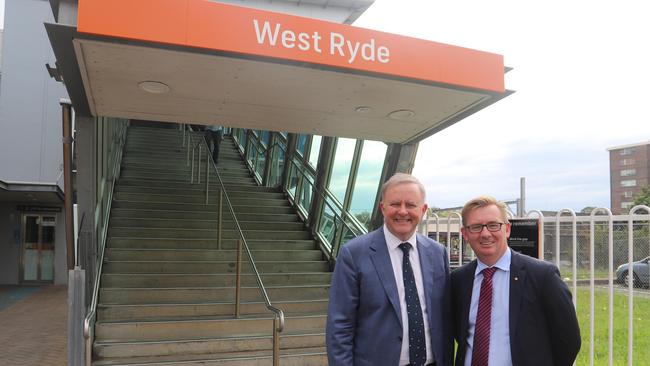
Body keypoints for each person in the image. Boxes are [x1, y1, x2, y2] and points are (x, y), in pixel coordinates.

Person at [326, 173, 453, 366]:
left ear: (423, 209)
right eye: (395, 204)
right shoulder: (354, 254)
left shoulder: (437, 253)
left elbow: (444, 317)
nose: (403, 211)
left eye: (410, 205)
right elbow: (340, 325)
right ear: (382, 208)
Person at [451, 196, 581, 366]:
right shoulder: (458, 280)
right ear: (465, 234)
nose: (485, 233)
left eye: (493, 225)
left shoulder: (543, 276)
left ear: (507, 229)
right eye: (476, 227)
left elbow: (568, 339)